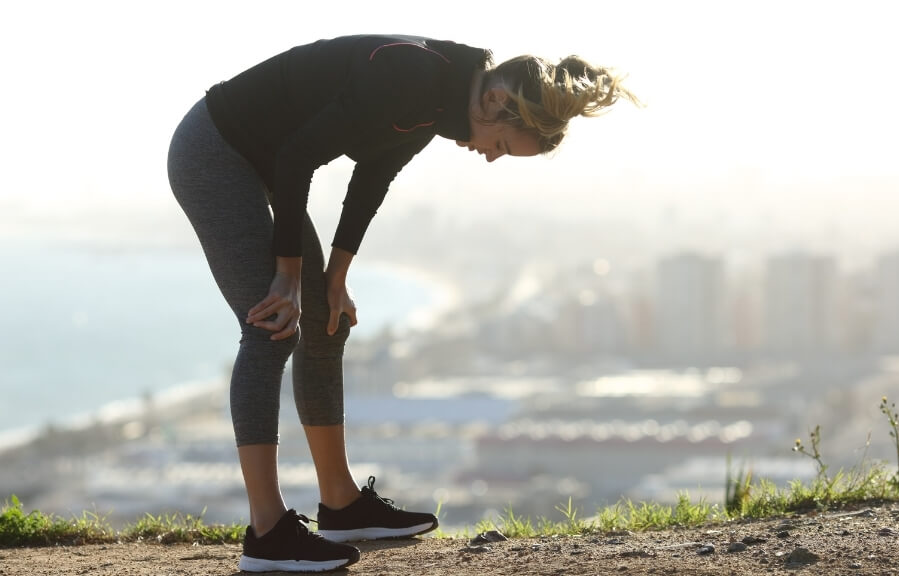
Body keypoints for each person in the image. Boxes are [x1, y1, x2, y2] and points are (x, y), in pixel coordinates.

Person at [167, 33, 637, 573]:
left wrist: (335, 278)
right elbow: (297, 157)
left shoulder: (440, 102)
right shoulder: (410, 77)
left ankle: (340, 505)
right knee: (273, 326)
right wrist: (289, 276)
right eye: (503, 145)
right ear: (495, 101)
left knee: (326, 322)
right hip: (215, 151)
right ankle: (267, 533)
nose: (489, 157)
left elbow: (373, 177)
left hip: (264, 162)